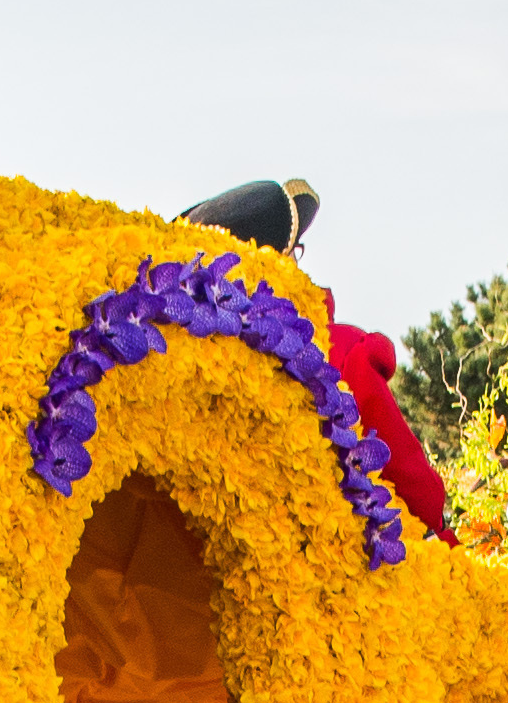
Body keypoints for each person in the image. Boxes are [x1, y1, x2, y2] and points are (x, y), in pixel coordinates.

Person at [174, 176, 454, 543]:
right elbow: (419, 493)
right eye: (295, 253)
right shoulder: (339, 351)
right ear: (278, 265)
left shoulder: (181, 366)